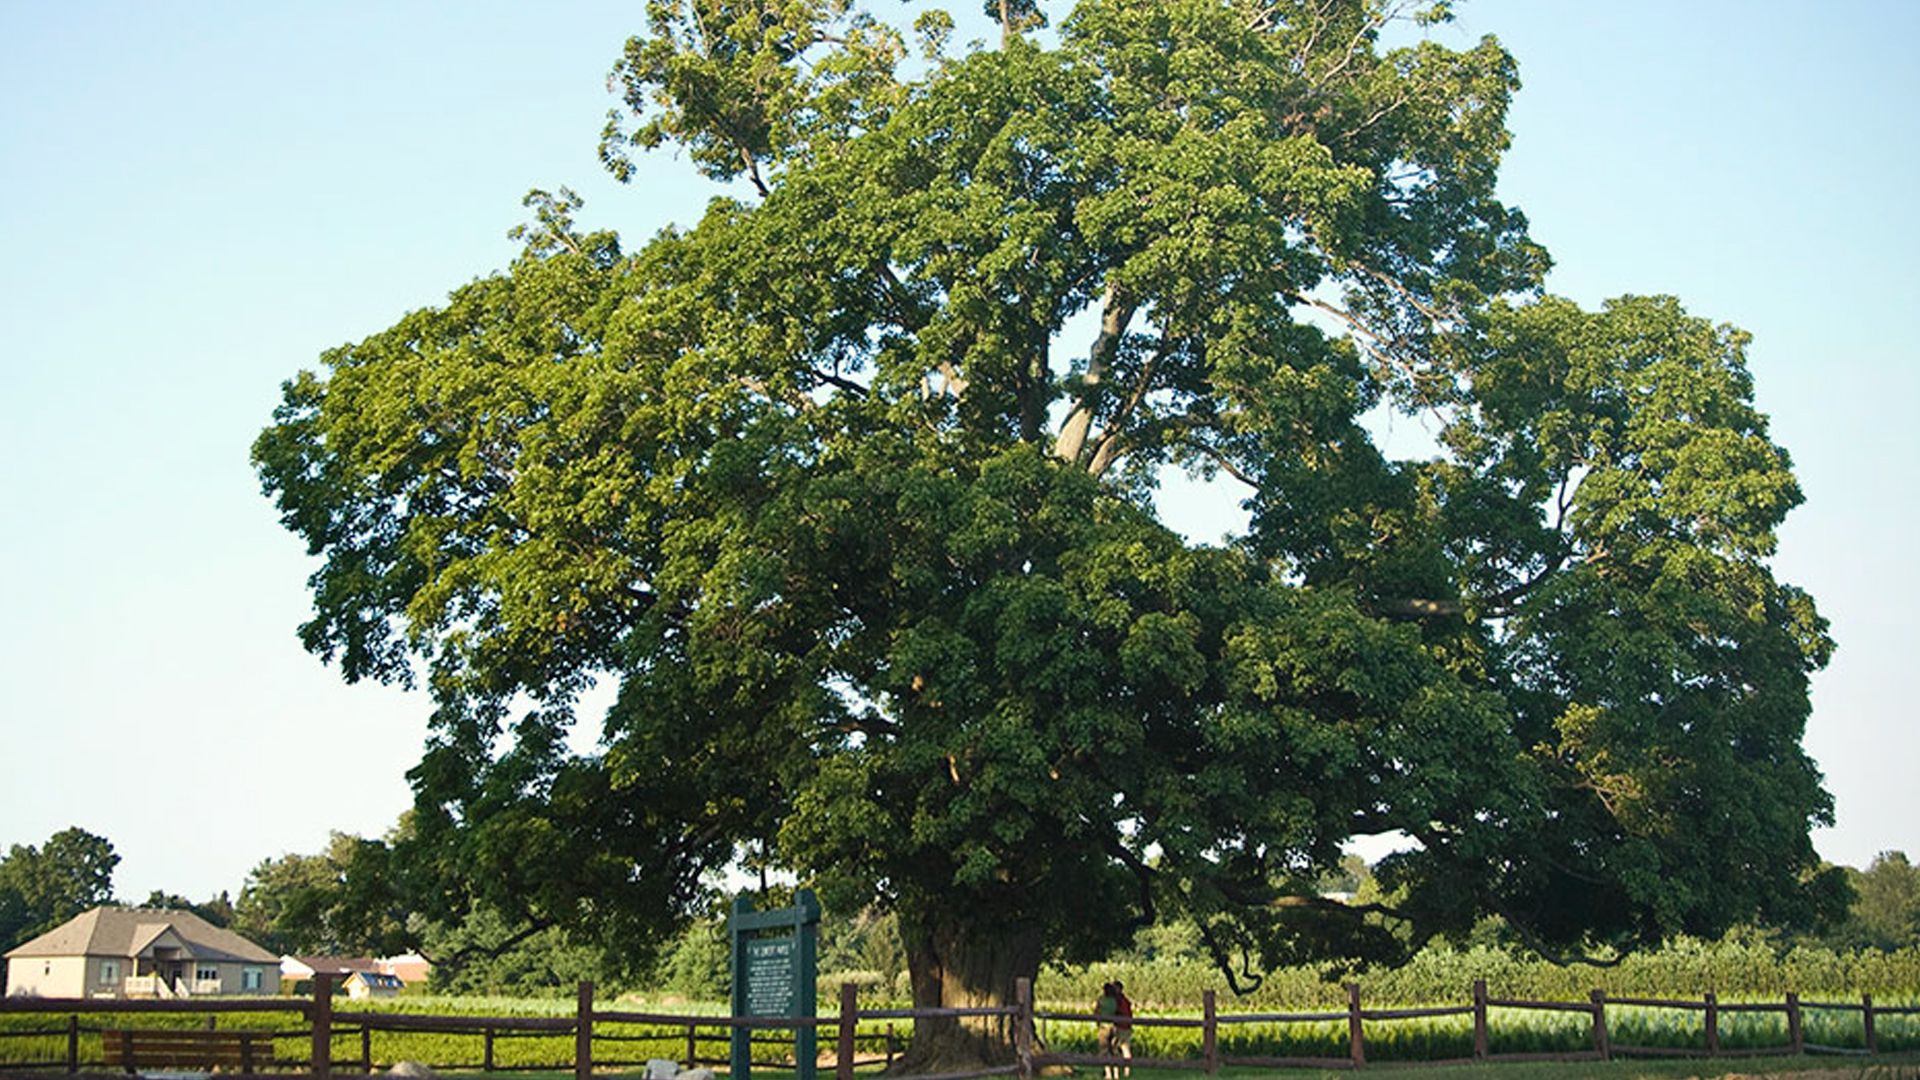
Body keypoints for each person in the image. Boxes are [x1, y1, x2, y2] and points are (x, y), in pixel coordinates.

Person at [1094, 981, 1120, 1079]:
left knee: (1104, 1051)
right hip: (1114, 1026)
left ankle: (1108, 1074)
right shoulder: (1115, 1000)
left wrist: (1097, 1022)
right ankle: (1116, 1074)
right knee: (1114, 1050)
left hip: (1104, 1027)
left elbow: (1096, 1011)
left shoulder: (1101, 1000)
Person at [1112, 980, 1134, 1078]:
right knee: (1124, 1048)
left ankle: (1120, 1073)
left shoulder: (1119, 1000)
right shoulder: (1124, 1000)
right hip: (1126, 1026)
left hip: (1121, 1026)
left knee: (1117, 1048)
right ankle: (1126, 1072)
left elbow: (1120, 1012)